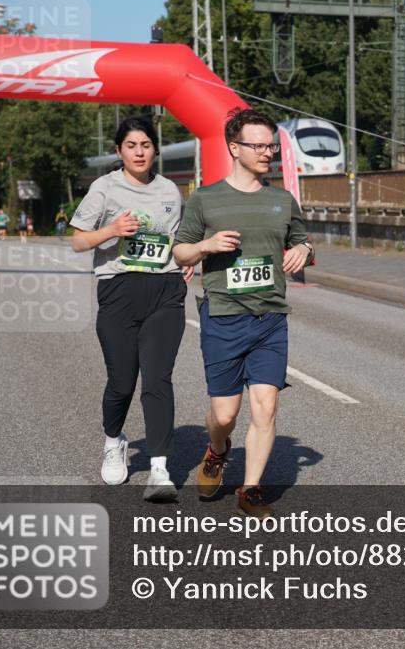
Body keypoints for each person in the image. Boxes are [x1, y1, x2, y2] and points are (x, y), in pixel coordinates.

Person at [173, 107, 313, 518]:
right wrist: (206, 247)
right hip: (222, 316)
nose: (267, 151)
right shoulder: (205, 199)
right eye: (258, 145)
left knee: (266, 406)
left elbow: (303, 241)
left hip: (270, 318)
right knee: (225, 414)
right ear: (235, 148)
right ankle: (217, 451)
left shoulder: (281, 201)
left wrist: (304, 249)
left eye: (271, 145)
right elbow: (179, 249)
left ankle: (250, 489)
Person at [70, 116, 191, 501]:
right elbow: (77, 242)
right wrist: (111, 231)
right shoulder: (103, 189)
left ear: (155, 149)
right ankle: (113, 440)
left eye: (146, 145)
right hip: (118, 290)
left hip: (165, 290)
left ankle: (159, 469)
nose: (139, 152)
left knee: (157, 380)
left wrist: (187, 258)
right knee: (122, 382)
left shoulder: (170, 190)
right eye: (131, 146)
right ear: (119, 151)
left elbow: (179, 239)